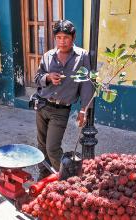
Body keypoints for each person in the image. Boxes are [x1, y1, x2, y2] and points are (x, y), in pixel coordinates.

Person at [34, 20, 93, 178]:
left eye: (65, 37)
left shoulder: (82, 56)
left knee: (52, 147)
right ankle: (45, 176)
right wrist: (47, 77)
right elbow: (37, 77)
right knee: (41, 146)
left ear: (73, 37)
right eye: (58, 37)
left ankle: (66, 179)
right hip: (42, 106)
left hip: (61, 110)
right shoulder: (48, 56)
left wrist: (83, 110)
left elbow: (86, 84)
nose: (62, 41)